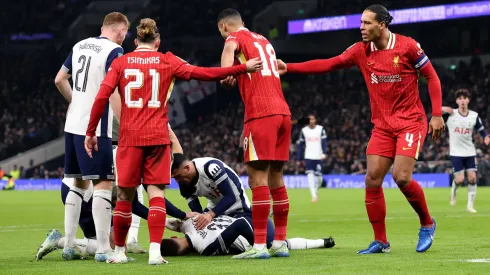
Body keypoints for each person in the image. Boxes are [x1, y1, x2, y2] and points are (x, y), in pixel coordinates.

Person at [84, 18, 262, 265]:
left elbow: (102, 96)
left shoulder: (120, 62)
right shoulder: (168, 59)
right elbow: (206, 73)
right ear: (157, 42)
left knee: (124, 197)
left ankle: (119, 253)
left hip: (130, 138)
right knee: (156, 193)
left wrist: (91, 131)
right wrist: (242, 68)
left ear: (135, 42)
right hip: (157, 138)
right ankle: (156, 253)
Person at [277, 4, 444, 254]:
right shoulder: (360, 51)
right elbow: (330, 64)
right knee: (372, 179)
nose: (361, 27)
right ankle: (381, 241)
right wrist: (290, 67)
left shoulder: (408, 46)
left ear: (382, 25)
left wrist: (437, 113)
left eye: (366, 23)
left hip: (410, 121)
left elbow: (431, 76)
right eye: (361, 23)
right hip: (383, 126)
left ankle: (427, 223)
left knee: (401, 177)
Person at [217, 8, 292, 259]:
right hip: (283, 113)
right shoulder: (264, 40)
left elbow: (227, 64)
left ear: (224, 27)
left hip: (261, 113)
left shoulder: (232, 38)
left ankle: (259, 246)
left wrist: (227, 72)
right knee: (277, 178)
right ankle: (279, 242)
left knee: (257, 178)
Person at [54, 12, 128, 262]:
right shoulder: (114, 51)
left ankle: (70, 244)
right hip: (96, 129)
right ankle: (103, 250)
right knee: (104, 185)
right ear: (121, 32)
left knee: (77, 183)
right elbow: (115, 92)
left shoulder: (79, 45)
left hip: (72, 124)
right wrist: (126, 124)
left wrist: (78, 102)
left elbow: (59, 79)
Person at [160, 215, 335, 256]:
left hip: (258, 229)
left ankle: (322, 242)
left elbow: (241, 224)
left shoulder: (205, 248)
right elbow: (163, 219)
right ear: (174, 237)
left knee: (278, 245)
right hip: (256, 217)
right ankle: (324, 242)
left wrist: (260, 246)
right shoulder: (191, 222)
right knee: (282, 243)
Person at [171, 153, 251, 229]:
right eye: (174, 178)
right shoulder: (183, 182)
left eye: (178, 176)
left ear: (187, 168)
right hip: (215, 207)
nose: (177, 181)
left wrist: (210, 215)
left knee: (227, 236)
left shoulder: (210, 167)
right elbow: (196, 210)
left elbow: (230, 197)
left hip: (238, 206)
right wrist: (198, 218)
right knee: (197, 226)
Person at [444, 89, 490, 212]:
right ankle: (453, 192)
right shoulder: (450, 114)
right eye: (460, 98)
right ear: (456, 101)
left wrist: (486, 137)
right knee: (459, 179)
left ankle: (470, 205)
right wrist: (443, 108)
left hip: (470, 152)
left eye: (464, 98)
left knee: (472, 178)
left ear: (468, 100)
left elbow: (482, 130)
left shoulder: (474, 116)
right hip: (456, 153)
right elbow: (434, 114)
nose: (462, 101)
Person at [296, 114, 327, 202]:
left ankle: (316, 191)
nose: (311, 121)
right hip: (308, 156)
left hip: (318, 156)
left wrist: (324, 153)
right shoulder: (304, 131)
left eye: (312, 119)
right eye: (309, 119)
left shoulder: (320, 129)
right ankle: (313, 196)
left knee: (319, 178)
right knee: (310, 175)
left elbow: (324, 142)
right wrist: (298, 159)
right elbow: (301, 146)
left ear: (315, 120)